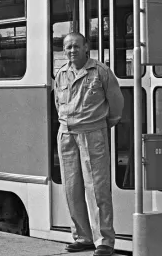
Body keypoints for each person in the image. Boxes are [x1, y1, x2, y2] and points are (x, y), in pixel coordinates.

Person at [53, 32, 124, 256]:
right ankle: (82, 236)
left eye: (75, 46)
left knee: (97, 188)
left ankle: (104, 240)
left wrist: (99, 125)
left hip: (92, 134)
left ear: (86, 48)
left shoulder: (100, 72)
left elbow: (116, 106)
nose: (71, 50)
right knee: (71, 188)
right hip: (66, 134)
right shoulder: (61, 74)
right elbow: (58, 103)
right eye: (67, 47)